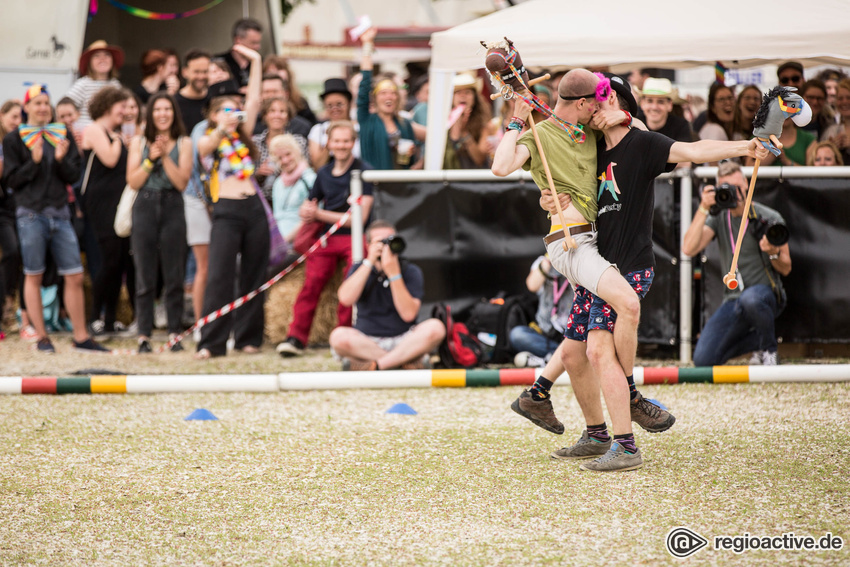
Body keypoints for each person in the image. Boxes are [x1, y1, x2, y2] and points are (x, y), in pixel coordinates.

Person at [516, 74, 770, 471]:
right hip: (595, 265)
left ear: (621, 106)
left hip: (629, 267)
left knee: (599, 350)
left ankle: (626, 440)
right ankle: (597, 432)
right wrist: (548, 198)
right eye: (594, 101)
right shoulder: (592, 146)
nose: (595, 107)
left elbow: (694, 148)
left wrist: (745, 146)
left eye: (605, 100)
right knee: (571, 350)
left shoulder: (643, 143)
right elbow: (560, 181)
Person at [1, 84, 108, 353]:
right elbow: (11, 181)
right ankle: (41, 337)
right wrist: (33, 162)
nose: (43, 108)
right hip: (30, 214)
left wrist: (60, 160)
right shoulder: (15, 140)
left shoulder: (62, 135)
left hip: (60, 213)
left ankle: (81, 337)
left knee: (73, 274)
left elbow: (73, 176)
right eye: (37, 103)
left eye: (46, 103)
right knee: (33, 274)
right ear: (26, 108)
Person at [276, 121, 374, 357]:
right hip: (327, 238)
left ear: (353, 143)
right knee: (312, 283)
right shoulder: (323, 173)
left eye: (346, 141)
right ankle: (296, 337)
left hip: (354, 237)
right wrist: (307, 212)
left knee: (351, 282)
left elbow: (359, 218)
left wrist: (319, 213)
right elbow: (310, 204)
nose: (341, 145)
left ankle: (344, 337)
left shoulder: (364, 172)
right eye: (337, 141)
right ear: (328, 143)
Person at [195, 45, 267, 359]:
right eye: (225, 110)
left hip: (253, 207)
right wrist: (222, 126)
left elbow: (253, 99)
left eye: (233, 110)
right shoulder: (209, 136)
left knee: (254, 274)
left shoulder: (243, 134)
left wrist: (256, 61)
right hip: (225, 209)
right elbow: (203, 149)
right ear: (213, 115)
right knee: (220, 276)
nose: (233, 114)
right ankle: (211, 342)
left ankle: (248, 338)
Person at [683, 161, 790, 367]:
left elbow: (787, 268)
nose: (734, 194)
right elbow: (688, 249)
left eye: (737, 188)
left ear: (747, 185)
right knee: (703, 360)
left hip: (766, 295)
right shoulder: (719, 218)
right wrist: (704, 207)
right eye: (727, 189)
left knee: (751, 299)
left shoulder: (768, 217)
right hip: (734, 300)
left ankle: (769, 352)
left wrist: (773, 252)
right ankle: (759, 341)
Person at [329, 220, 445, 370]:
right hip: (367, 341)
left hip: (404, 339)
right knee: (338, 337)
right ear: (368, 245)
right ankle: (404, 363)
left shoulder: (410, 270)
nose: (386, 247)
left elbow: (408, 314)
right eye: (380, 242)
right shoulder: (360, 268)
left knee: (436, 328)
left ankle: (378, 366)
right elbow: (345, 299)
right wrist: (369, 261)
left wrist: (394, 274)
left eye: (390, 241)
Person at [126, 93, 193, 353]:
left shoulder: (184, 143)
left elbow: (181, 182)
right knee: (144, 273)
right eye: (158, 109)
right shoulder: (139, 142)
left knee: (174, 273)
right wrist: (150, 157)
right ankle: (144, 333)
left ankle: (174, 332)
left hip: (172, 205)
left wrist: (165, 156)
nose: (163, 114)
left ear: (174, 113)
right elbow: (133, 181)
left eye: (167, 109)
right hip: (144, 204)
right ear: (150, 114)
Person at [81, 87, 135, 335]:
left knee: (120, 261)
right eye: (121, 106)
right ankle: (95, 318)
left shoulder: (115, 133)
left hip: (119, 202)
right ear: (107, 107)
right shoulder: (95, 129)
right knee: (109, 258)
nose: (125, 112)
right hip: (101, 202)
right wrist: (117, 140)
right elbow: (110, 159)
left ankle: (111, 319)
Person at [356, 28, 425, 169]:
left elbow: (435, 137)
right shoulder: (367, 120)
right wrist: (367, 46)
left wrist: (418, 163)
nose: (389, 97)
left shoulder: (404, 123)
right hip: (375, 184)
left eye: (393, 93)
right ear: (374, 98)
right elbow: (364, 85)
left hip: (401, 185)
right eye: (383, 93)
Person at [509, 254, 572, 368]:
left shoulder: (580, 261)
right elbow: (532, 285)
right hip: (548, 334)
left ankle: (551, 359)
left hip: (574, 334)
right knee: (517, 335)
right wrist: (548, 260)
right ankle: (558, 356)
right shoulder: (543, 262)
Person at [253, 96, 308, 196]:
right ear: (265, 116)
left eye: (282, 111)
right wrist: (259, 174)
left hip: (291, 197)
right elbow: (246, 176)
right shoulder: (255, 143)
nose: (277, 115)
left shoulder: (298, 142)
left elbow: (306, 171)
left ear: (288, 117)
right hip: (261, 199)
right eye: (272, 111)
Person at [0, 100, 23, 336]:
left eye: (20, 118)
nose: (17, 123)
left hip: (21, 206)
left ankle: (16, 308)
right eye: (13, 117)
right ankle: (7, 303)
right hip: (3, 209)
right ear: (2, 116)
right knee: (12, 250)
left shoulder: (23, 143)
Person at [66, 40, 125, 129]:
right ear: (90, 63)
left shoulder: (116, 85)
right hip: (85, 133)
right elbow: (66, 104)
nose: (102, 59)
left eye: (107, 55)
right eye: (97, 56)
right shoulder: (83, 84)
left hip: (110, 133)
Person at [269, 133, 314, 246]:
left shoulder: (310, 180)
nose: (285, 160)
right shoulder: (278, 183)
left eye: (288, 154)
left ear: (297, 152)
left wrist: (284, 241)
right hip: (277, 240)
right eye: (279, 158)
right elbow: (276, 217)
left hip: (298, 242)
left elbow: (310, 220)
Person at [308, 78, 361, 169]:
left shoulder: (359, 128)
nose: (335, 109)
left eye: (339, 104)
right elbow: (317, 166)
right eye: (330, 105)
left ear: (348, 104)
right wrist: (329, 144)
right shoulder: (318, 130)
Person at [443, 72, 493, 169]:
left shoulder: (484, 124)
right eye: (458, 92)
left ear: (475, 98)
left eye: (467, 92)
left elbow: (479, 159)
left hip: (472, 180)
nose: (463, 96)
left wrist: (464, 133)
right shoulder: (443, 123)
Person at [262, 55, 317, 126]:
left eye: (279, 69)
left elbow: (311, 123)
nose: (275, 73)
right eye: (270, 71)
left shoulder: (299, 102)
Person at [638, 77, 693, 142]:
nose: (654, 107)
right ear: (642, 103)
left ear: (670, 105)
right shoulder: (634, 125)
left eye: (660, 102)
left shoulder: (680, 126)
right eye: (650, 101)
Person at [216, 18, 263, 88]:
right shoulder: (219, 62)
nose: (258, 47)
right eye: (253, 43)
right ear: (238, 40)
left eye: (258, 42)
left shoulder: (262, 63)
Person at [175, 49, 212, 132]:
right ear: (185, 72)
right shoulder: (175, 103)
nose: (201, 76)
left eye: (205, 71)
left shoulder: (214, 98)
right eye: (196, 72)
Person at [823, 79, 850, 164]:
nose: (844, 102)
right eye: (840, 98)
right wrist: (830, 148)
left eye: (849, 98)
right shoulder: (831, 131)